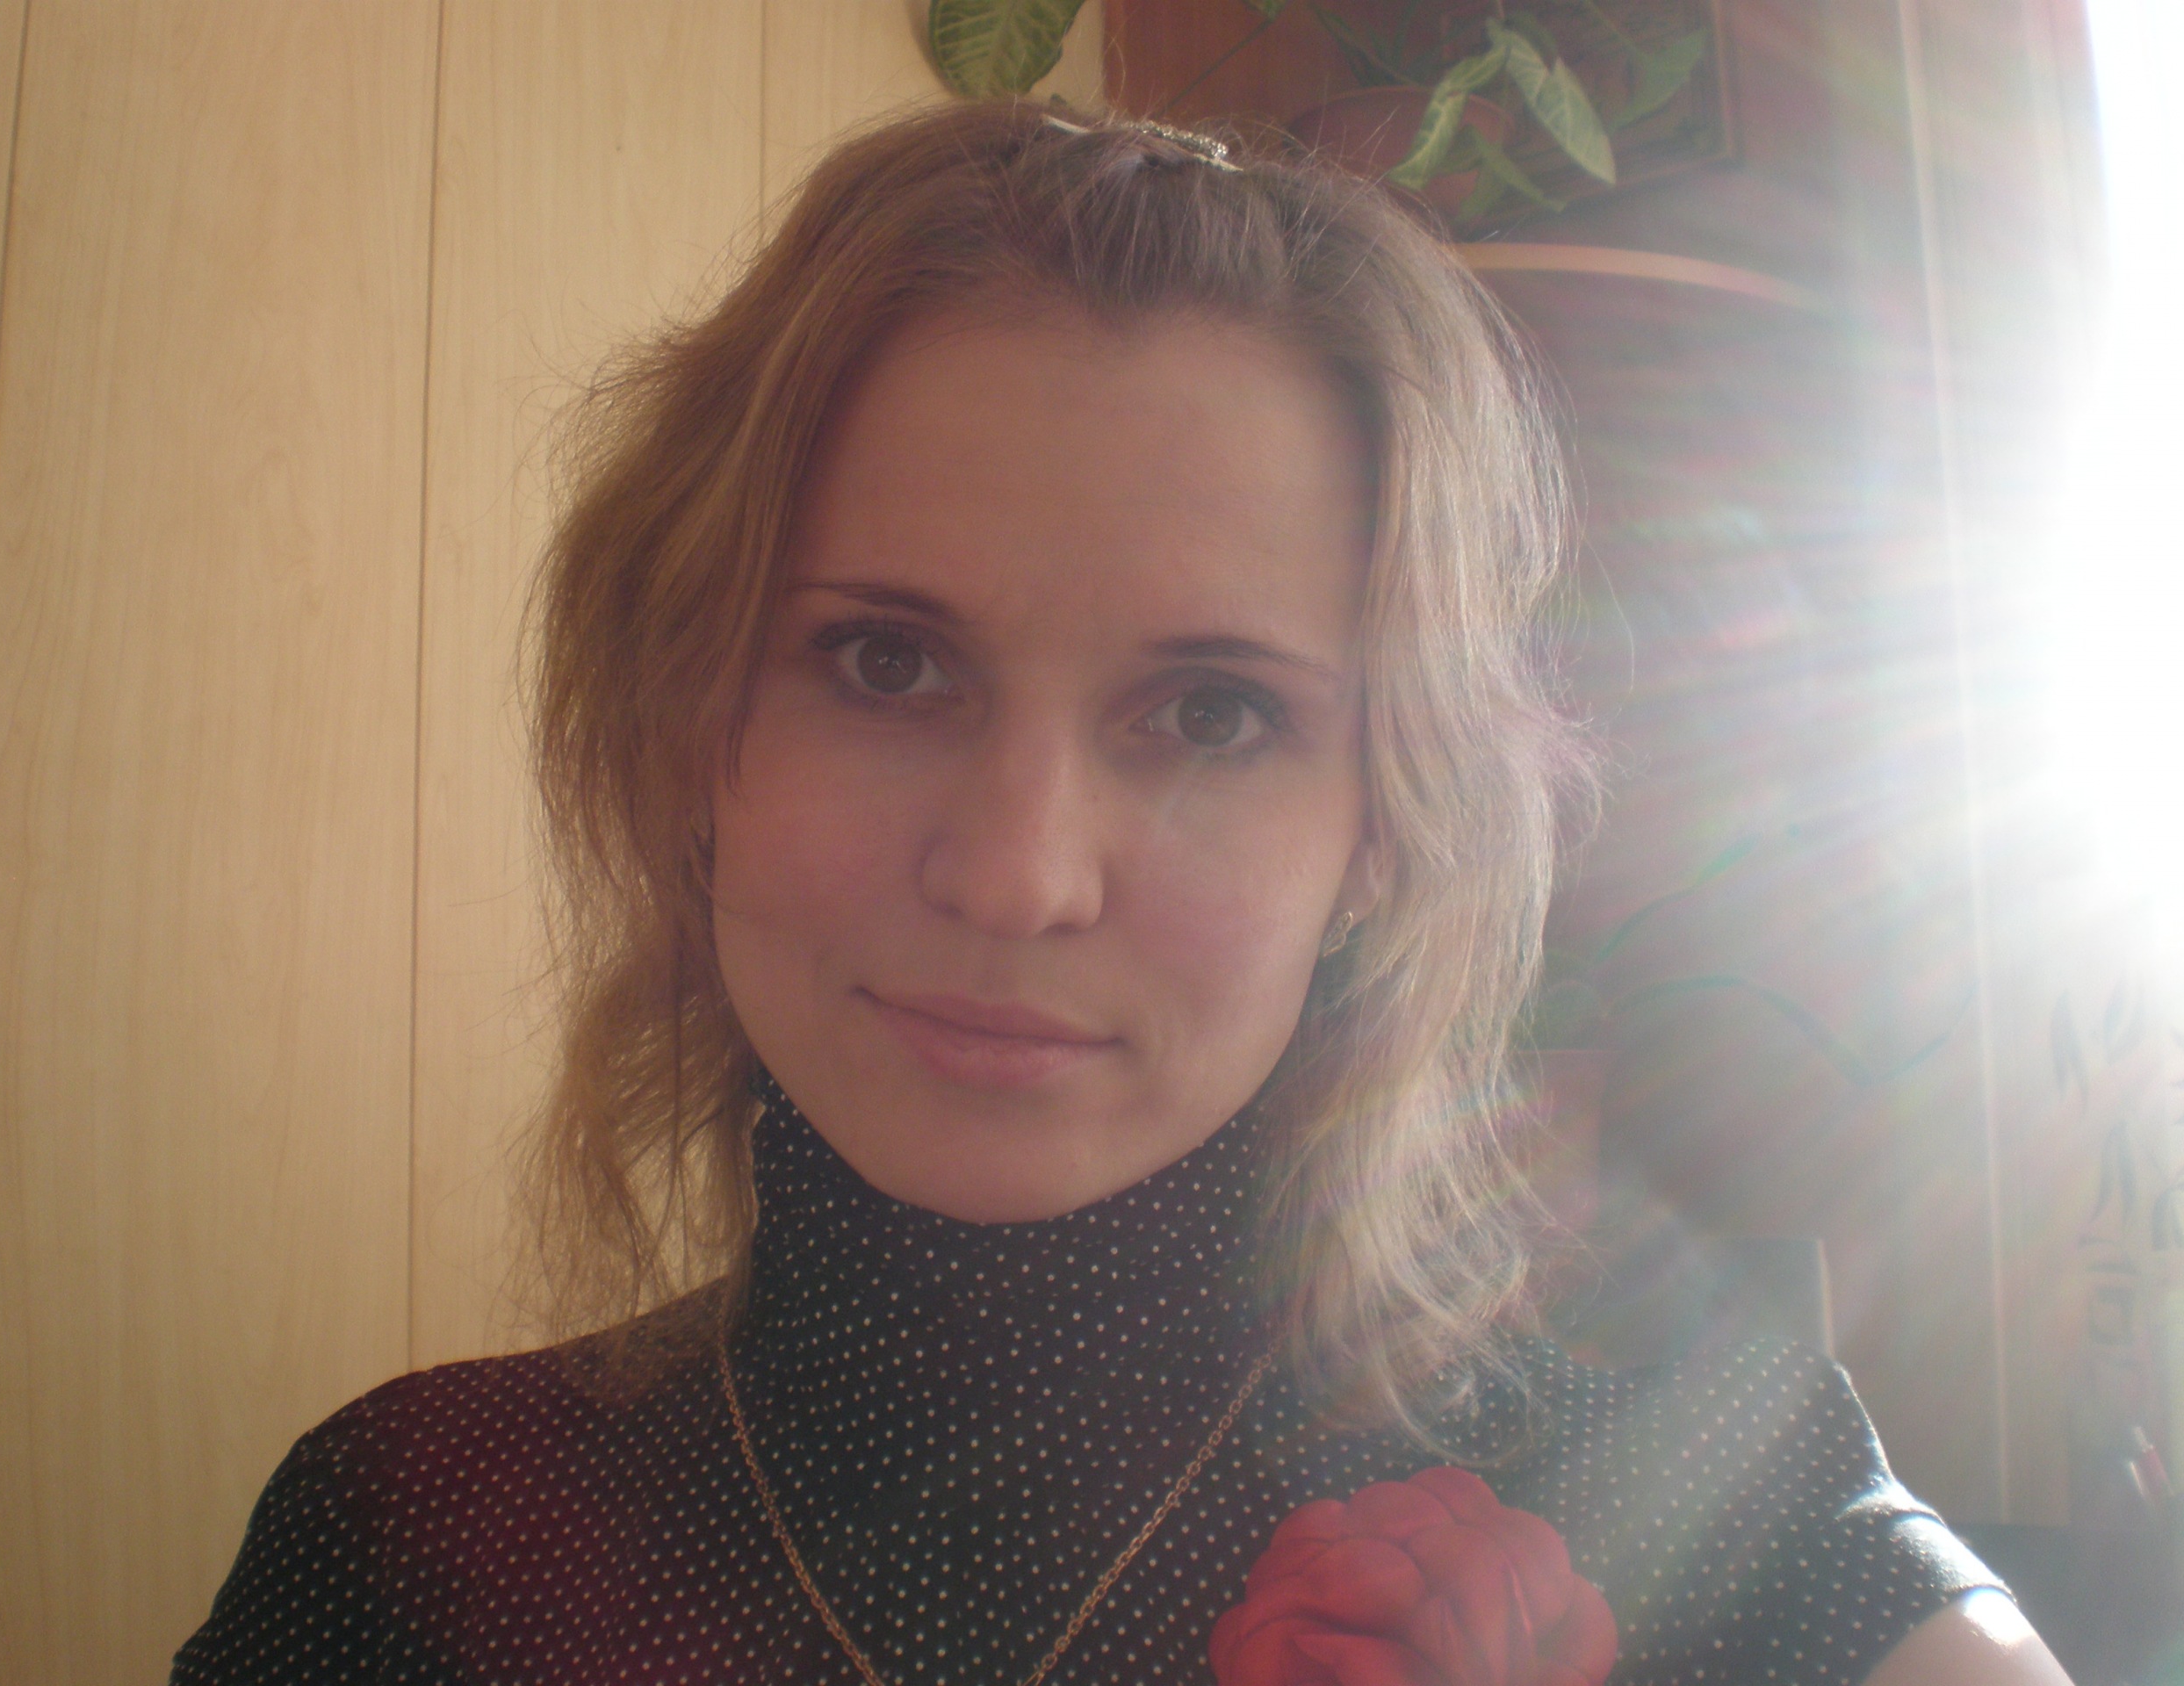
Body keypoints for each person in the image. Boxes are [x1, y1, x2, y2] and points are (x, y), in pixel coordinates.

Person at [172, 102, 2069, 1686]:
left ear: (1382, 827)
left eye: (1212, 714)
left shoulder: (1694, 1486)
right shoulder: (392, 1542)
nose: (1016, 875)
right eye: (886, 666)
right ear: (685, 727)